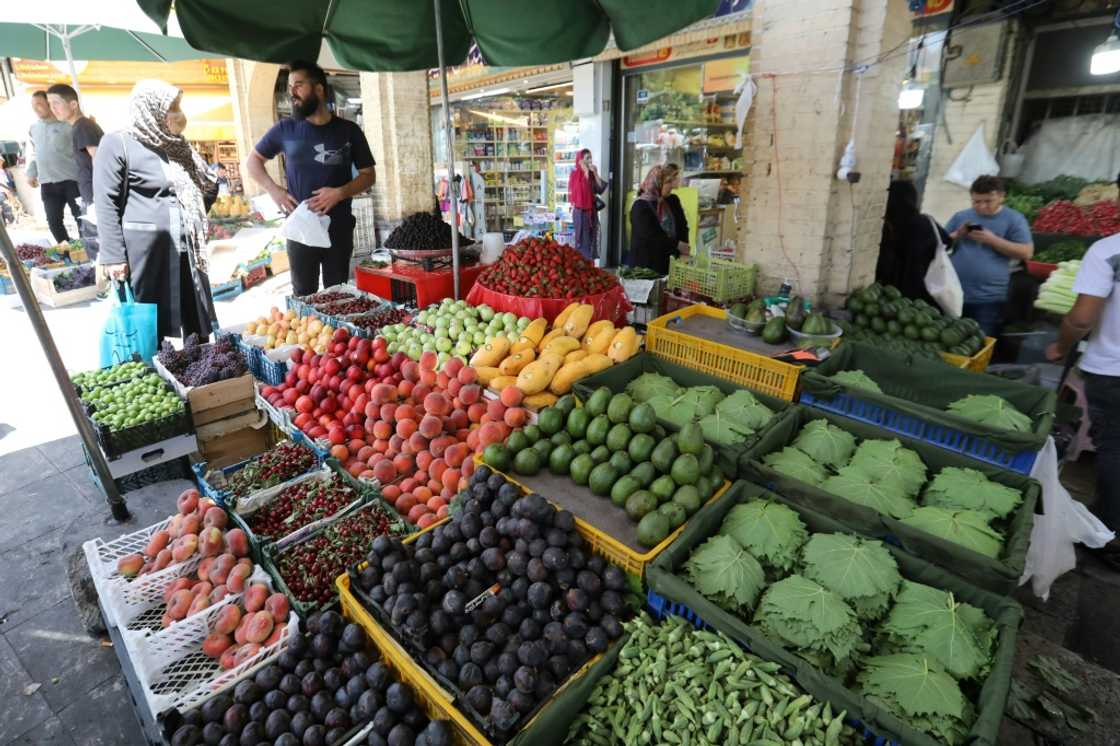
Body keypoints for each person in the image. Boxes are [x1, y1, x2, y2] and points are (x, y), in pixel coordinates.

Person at [94, 80, 220, 342]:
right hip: (148, 252)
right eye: (171, 107)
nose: (177, 114)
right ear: (150, 108)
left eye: (177, 106)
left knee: (194, 315)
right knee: (151, 322)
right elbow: (106, 202)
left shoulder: (177, 145)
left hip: (187, 249)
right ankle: (154, 371)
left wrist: (195, 216)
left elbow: (204, 186)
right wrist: (114, 255)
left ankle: (198, 373)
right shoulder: (118, 143)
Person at [245, 60, 375, 295]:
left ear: (318, 89)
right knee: (304, 295)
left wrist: (340, 192)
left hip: (339, 228)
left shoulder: (349, 131)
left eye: (298, 85)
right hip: (300, 227)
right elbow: (253, 162)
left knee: (338, 293)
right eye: (290, 87)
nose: (292, 92)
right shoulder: (285, 129)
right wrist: (275, 190)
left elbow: (368, 175)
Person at [1046, 172, 1120, 567]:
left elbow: (1081, 319)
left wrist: (1060, 344)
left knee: (1114, 449)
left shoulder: (1109, 250)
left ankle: (1109, 536)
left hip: (1113, 370)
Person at [945, 175, 1033, 337]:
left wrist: (992, 240)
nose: (982, 207)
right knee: (948, 340)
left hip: (987, 298)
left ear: (1001, 196)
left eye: (988, 201)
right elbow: (940, 244)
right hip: (953, 292)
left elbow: (1026, 252)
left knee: (979, 344)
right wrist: (958, 233)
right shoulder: (961, 217)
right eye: (976, 202)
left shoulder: (1014, 219)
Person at [47, 83, 103, 258]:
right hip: (92, 196)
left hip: (97, 198)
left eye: (56, 103)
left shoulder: (82, 126)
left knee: (98, 252)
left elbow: (99, 160)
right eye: (50, 104)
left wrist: (99, 198)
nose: (53, 108)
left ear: (73, 104)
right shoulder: (80, 126)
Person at [875, 180, 948, 306]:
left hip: (892, 296)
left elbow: (882, 264)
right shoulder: (926, 223)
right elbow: (947, 242)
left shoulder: (888, 227)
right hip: (924, 294)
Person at [26, 90, 82, 243]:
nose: (35, 108)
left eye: (39, 104)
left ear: (49, 104)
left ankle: (89, 250)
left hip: (71, 180)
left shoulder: (68, 125)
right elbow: (34, 152)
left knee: (82, 219)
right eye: (33, 105)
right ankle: (68, 252)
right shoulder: (33, 128)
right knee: (53, 222)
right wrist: (31, 172)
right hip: (47, 183)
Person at [628, 163, 689, 275]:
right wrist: (677, 245)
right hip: (646, 267)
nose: (673, 186)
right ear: (656, 182)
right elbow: (651, 236)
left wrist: (683, 249)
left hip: (670, 262)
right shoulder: (640, 206)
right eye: (668, 182)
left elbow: (683, 226)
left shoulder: (672, 200)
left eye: (673, 181)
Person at [568, 148, 607, 260]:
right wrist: (585, 172)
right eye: (587, 158)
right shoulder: (575, 173)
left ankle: (591, 265)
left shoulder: (591, 173)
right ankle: (583, 266)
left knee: (592, 239)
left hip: (592, 212)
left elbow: (600, 189)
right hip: (580, 213)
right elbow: (580, 192)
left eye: (590, 157)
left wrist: (595, 173)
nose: (590, 160)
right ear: (580, 160)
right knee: (582, 241)